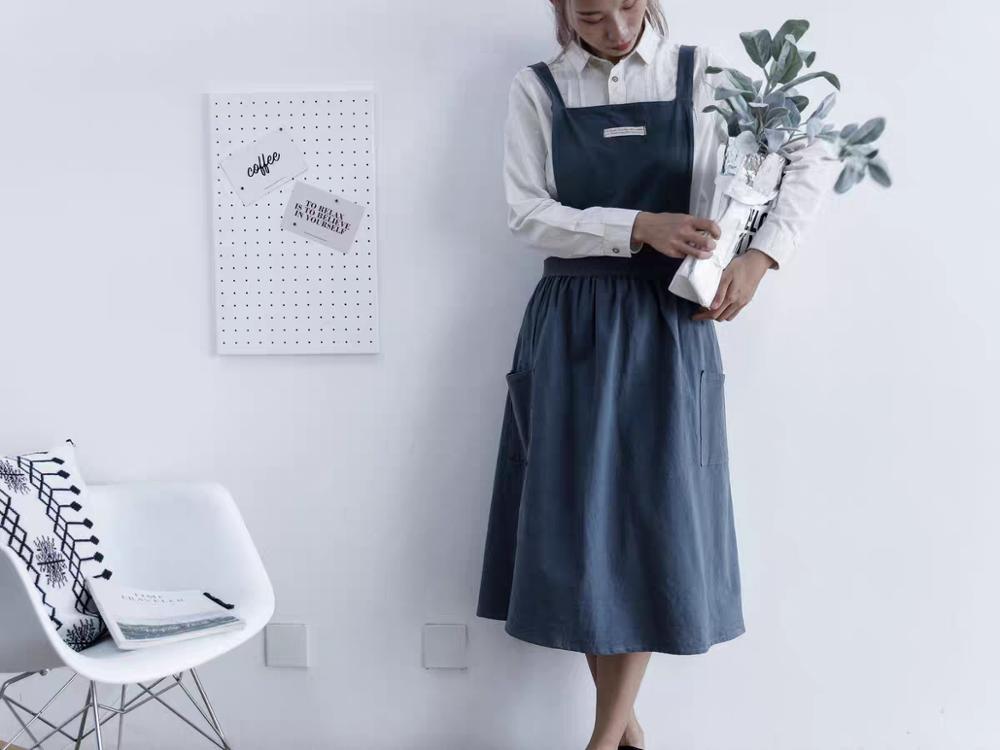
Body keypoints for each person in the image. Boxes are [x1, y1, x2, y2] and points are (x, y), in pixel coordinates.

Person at [476, 1, 834, 748]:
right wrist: (636, 225)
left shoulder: (706, 75)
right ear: (563, 10)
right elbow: (525, 213)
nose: (614, 30)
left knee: (648, 523)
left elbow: (812, 149)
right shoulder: (536, 88)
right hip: (571, 320)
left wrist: (760, 259)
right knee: (577, 530)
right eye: (593, 17)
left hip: (671, 319)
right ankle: (626, 735)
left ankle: (603, 740)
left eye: (629, 9)